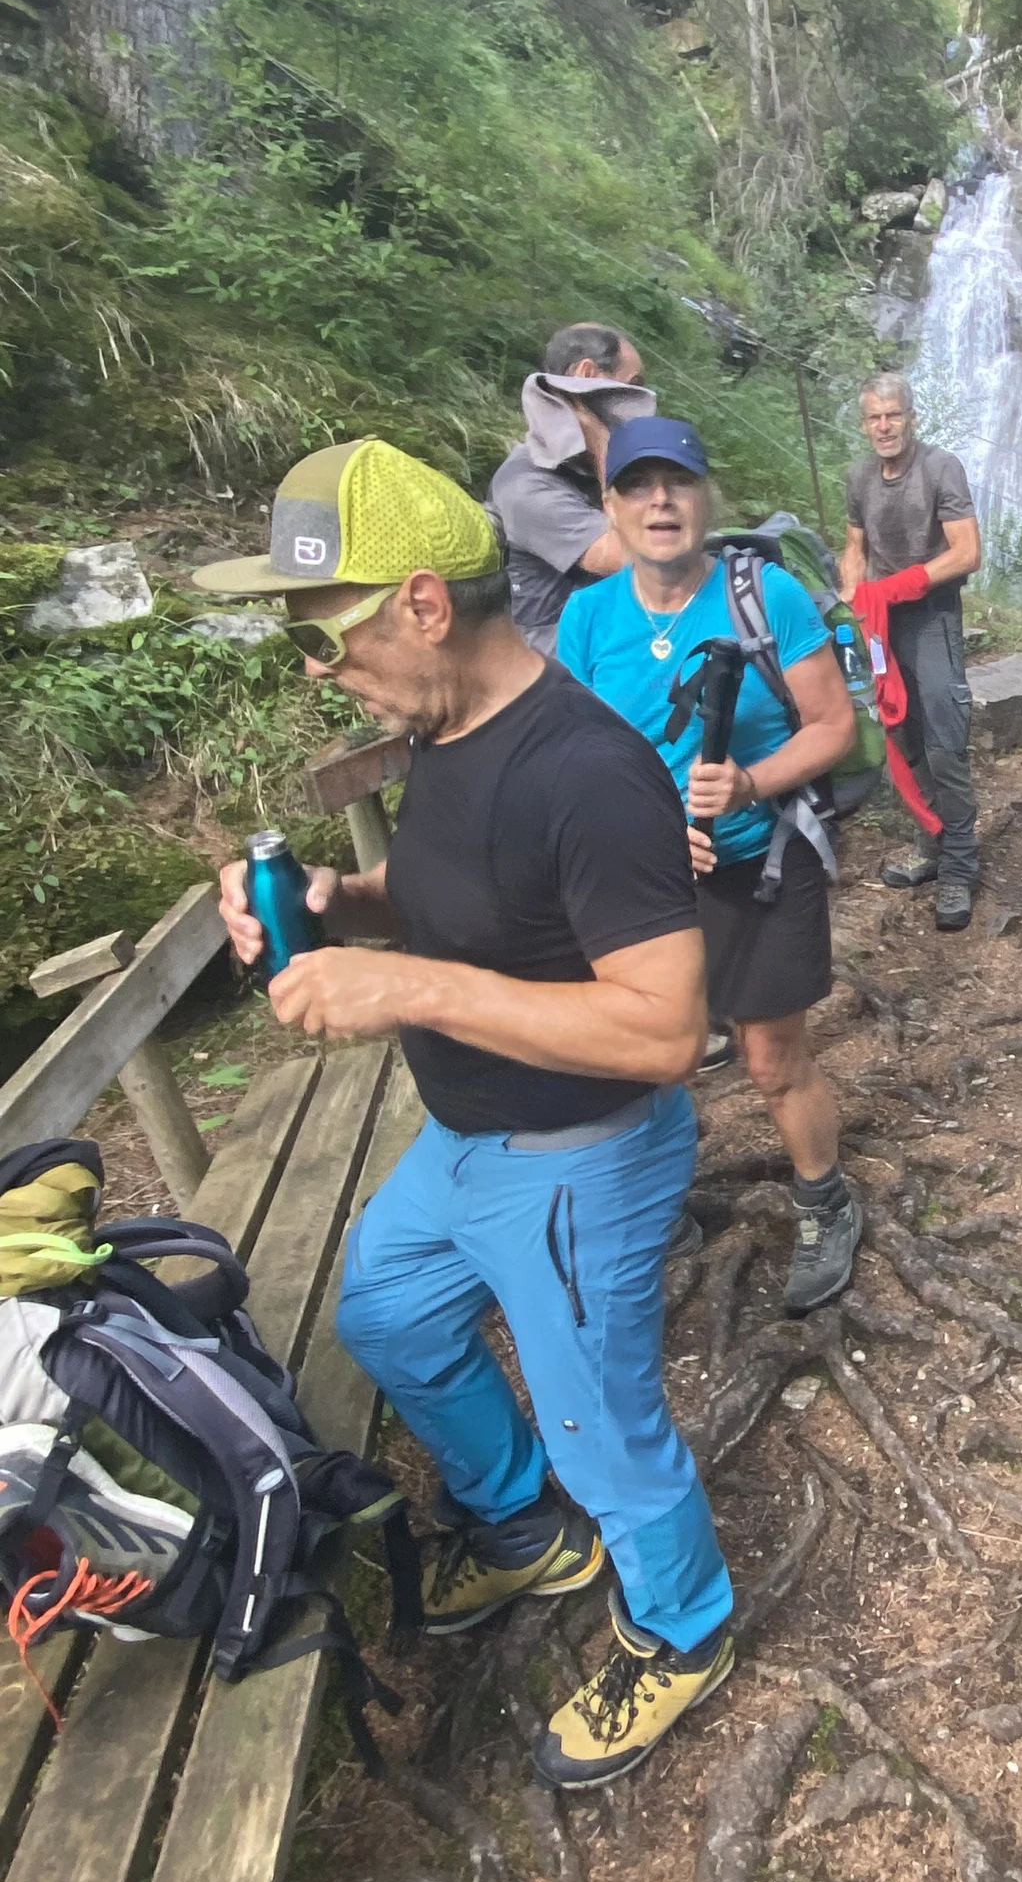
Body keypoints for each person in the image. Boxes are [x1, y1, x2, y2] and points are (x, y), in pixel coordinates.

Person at [193, 436, 734, 1792]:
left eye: (323, 640)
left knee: (602, 1427)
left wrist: (412, 985)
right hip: (466, 1141)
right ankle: (525, 1534)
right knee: (383, 1314)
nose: (316, 673)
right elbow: (481, 913)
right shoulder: (443, 735)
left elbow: (665, 1030)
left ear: (423, 604)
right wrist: (341, 906)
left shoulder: (589, 773)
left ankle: (685, 1630)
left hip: (576, 1162)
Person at [558, 418, 865, 1317]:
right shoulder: (587, 617)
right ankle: (664, 1206)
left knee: (772, 1059)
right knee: (655, 1056)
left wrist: (748, 786)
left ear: (705, 498)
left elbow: (835, 728)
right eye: (639, 487)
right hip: (645, 879)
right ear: (610, 508)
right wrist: (635, 836)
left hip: (757, 862)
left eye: (680, 482)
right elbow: (571, 756)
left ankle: (825, 1200)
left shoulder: (764, 596)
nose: (662, 501)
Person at [840, 372, 983, 931]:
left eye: (892, 415)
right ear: (865, 423)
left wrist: (903, 585)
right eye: (874, 417)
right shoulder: (859, 476)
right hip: (878, 624)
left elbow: (968, 552)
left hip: (930, 616)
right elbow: (855, 547)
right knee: (903, 737)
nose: (883, 426)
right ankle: (931, 844)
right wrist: (854, 598)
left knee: (945, 739)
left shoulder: (940, 467)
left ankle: (961, 867)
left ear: (911, 416)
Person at [488, 322, 659, 653]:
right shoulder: (527, 483)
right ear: (587, 374)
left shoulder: (585, 470)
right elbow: (642, 556)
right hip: (553, 665)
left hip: (609, 634)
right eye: (633, 386)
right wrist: (601, 441)